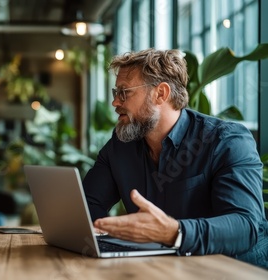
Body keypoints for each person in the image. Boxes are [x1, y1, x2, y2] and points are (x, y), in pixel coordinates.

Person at [83, 48, 268, 268]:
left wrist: (175, 233)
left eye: (125, 92)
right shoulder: (122, 143)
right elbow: (89, 204)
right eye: (116, 92)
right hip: (162, 269)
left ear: (161, 93)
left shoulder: (226, 141)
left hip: (232, 270)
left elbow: (245, 226)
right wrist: (95, 227)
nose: (115, 102)